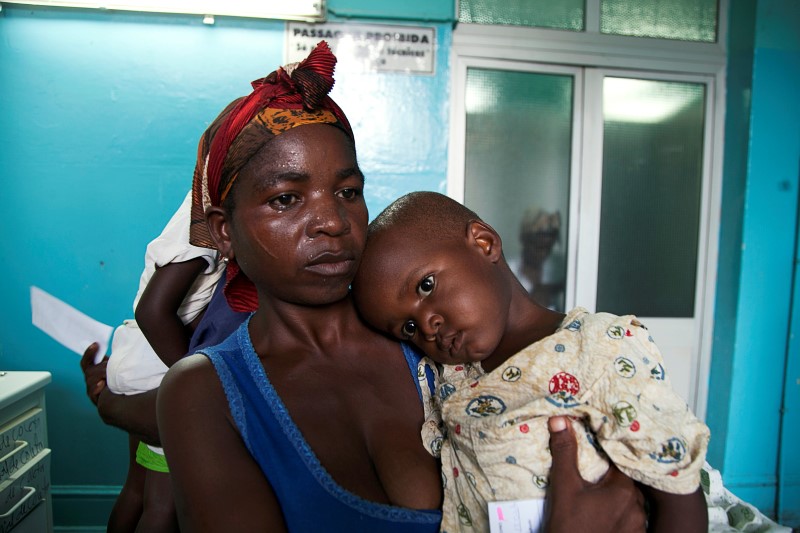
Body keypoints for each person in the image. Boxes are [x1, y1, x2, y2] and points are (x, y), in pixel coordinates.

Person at [82, 42, 648, 532]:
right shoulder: (204, 393)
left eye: (348, 191)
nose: (332, 221)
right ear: (225, 233)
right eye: (286, 198)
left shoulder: (433, 340)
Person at [351, 191, 710, 533]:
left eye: (426, 285)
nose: (427, 326)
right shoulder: (451, 377)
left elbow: (678, 492)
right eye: (409, 326)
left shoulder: (596, 348)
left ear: (483, 243)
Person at [104, 190, 225, 532]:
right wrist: (191, 380)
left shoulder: (187, 224)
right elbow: (152, 312)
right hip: (156, 367)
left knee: (136, 490)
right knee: (164, 506)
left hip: (138, 358)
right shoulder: (201, 239)